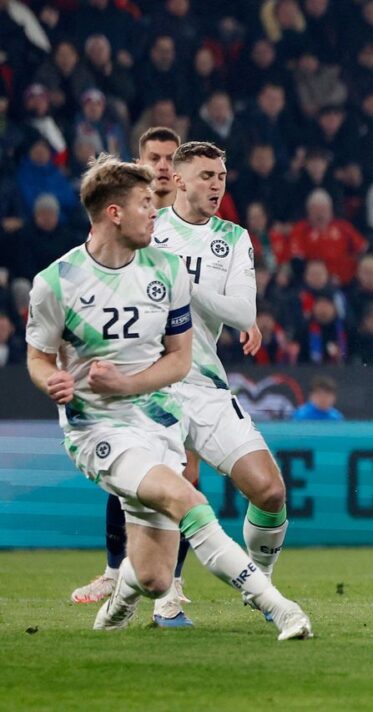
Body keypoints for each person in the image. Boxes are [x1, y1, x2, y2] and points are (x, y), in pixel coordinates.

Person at [25, 155, 311, 639]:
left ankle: (122, 595)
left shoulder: (168, 270)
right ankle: (279, 607)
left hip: (159, 414)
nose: (153, 214)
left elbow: (179, 360)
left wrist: (129, 385)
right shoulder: (56, 282)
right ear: (115, 213)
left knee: (155, 575)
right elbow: (37, 356)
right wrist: (49, 378)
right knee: (188, 498)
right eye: (144, 204)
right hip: (96, 426)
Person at [69, 128, 262, 628]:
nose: (157, 166)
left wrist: (247, 316)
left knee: (180, 478)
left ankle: (158, 585)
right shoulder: (135, 223)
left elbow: (230, 300)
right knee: (150, 479)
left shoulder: (214, 234)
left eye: (164, 158)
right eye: (151, 158)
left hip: (189, 374)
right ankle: (125, 575)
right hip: (139, 371)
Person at [148, 141, 293, 624]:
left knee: (269, 491)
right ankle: (165, 594)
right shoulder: (147, 229)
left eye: (222, 176)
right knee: (179, 485)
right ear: (180, 179)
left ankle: (261, 585)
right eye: (207, 176)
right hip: (151, 384)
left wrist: (187, 285)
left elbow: (243, 312)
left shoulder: (232, 237)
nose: (216, 185)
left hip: (206, 382)